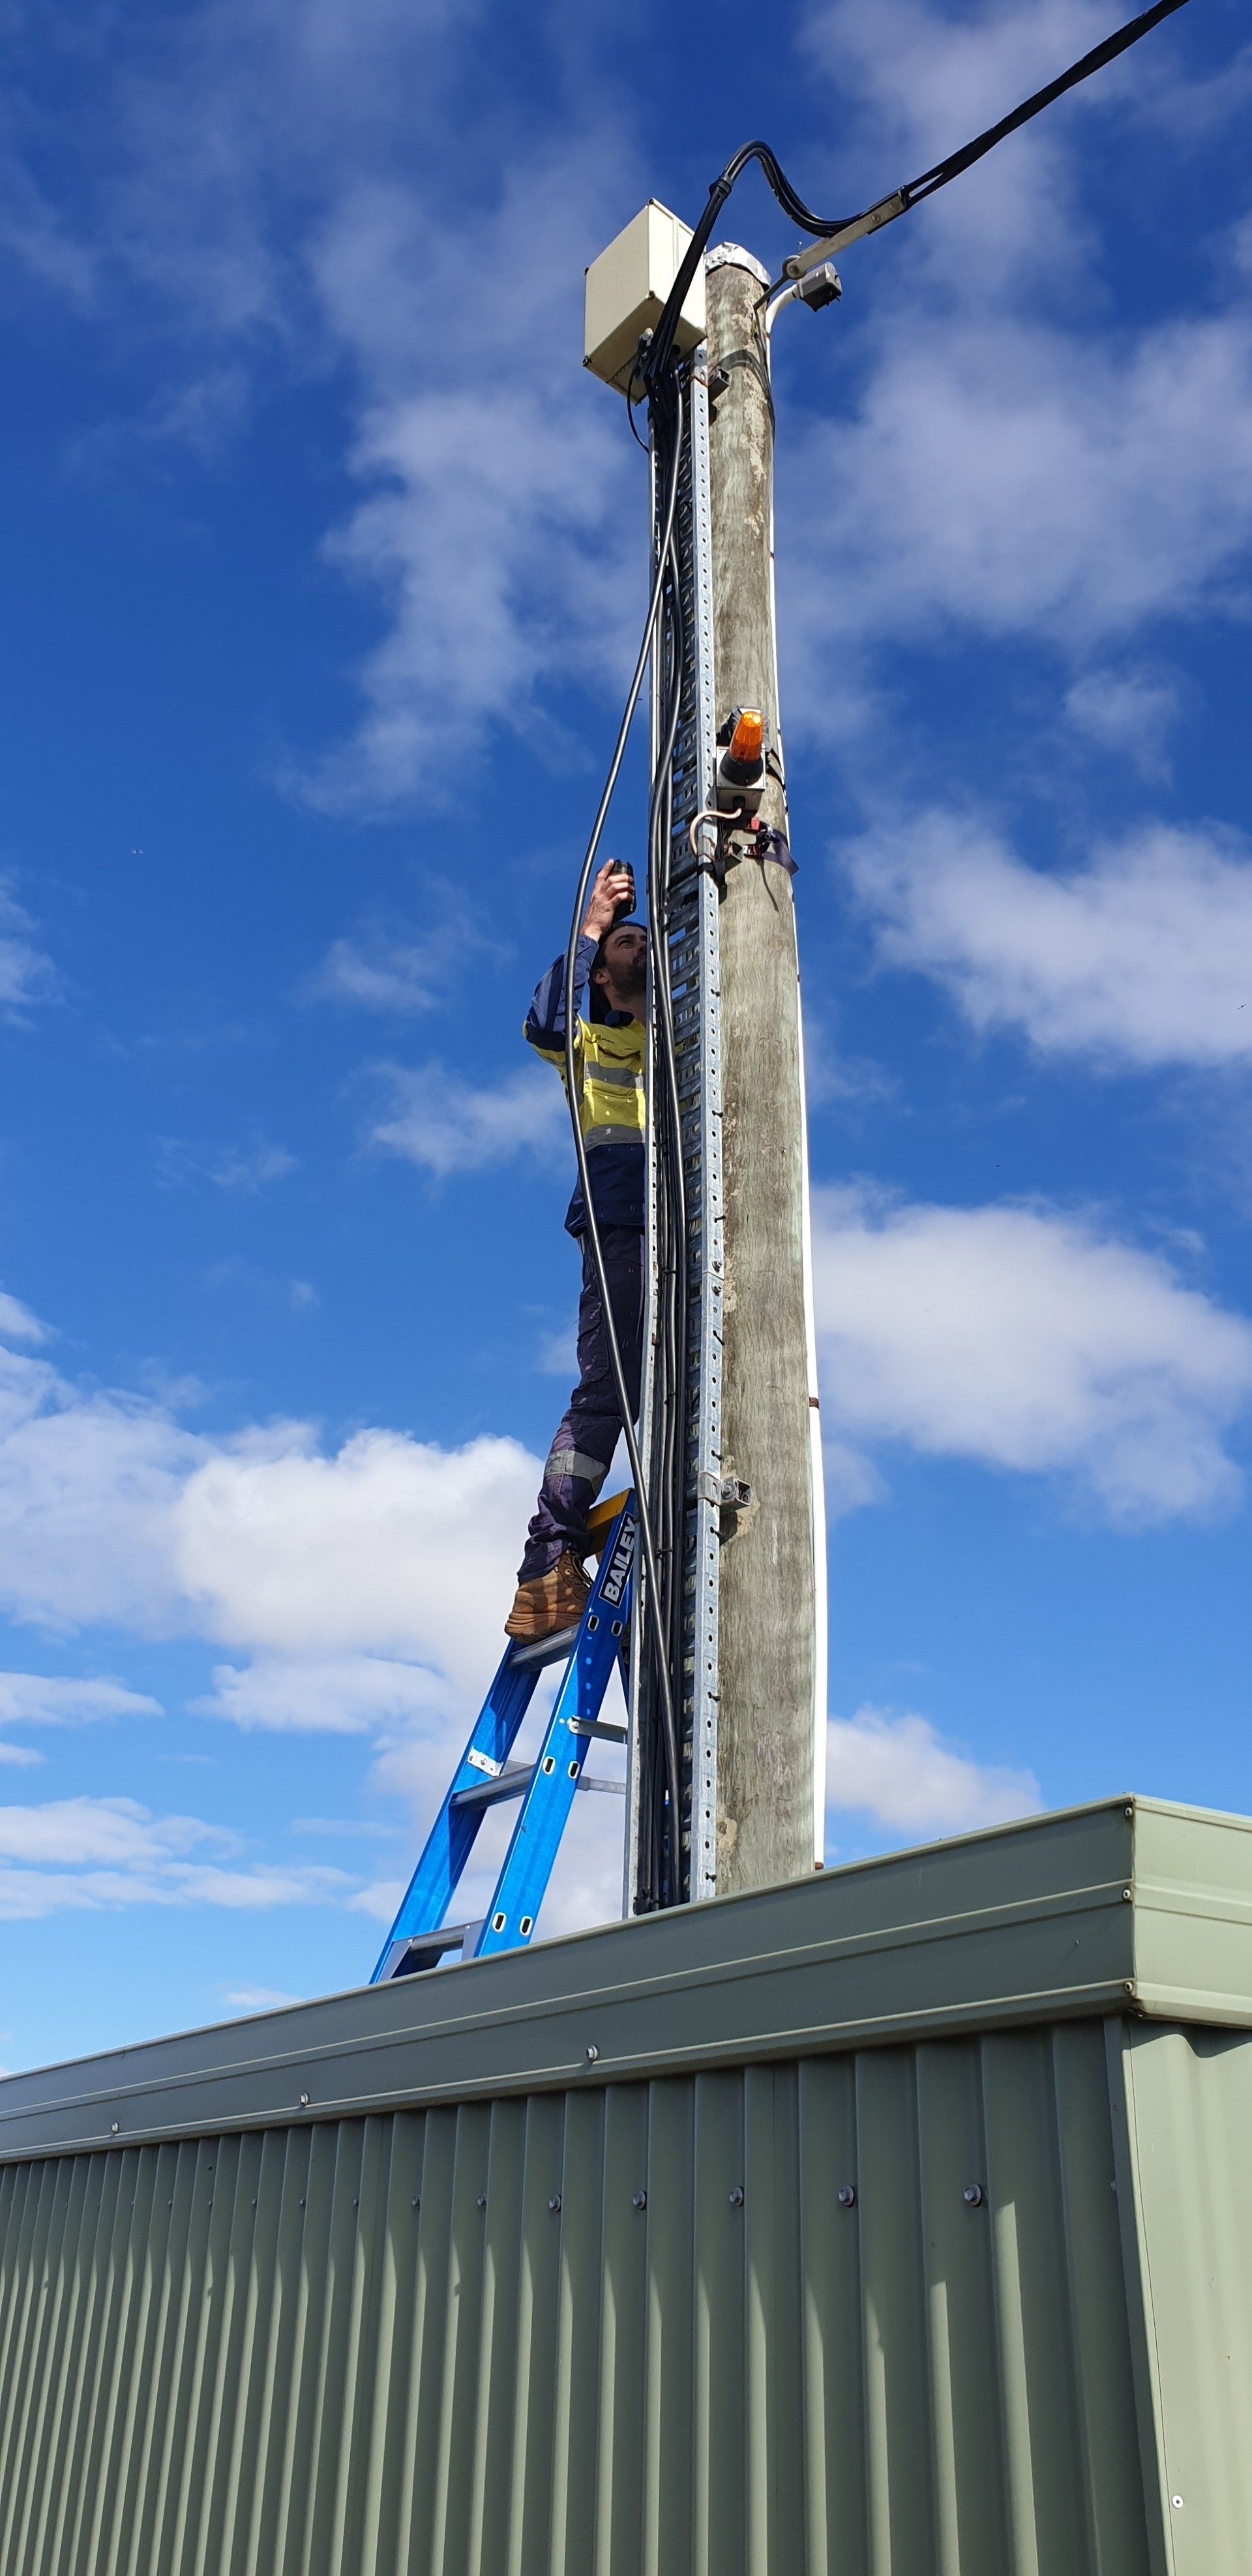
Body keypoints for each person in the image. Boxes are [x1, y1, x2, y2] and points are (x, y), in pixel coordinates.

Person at [504, 860, 646, 1641]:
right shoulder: (586, 1042)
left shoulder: (682, 1042)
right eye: (628, 942)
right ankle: (549, 1557)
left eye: (646, 940)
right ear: (600, 971)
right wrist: (593, 924)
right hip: (621, 1213)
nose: (640, 946)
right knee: (612, 1385)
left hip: (697, 1225)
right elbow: (545, 1022)